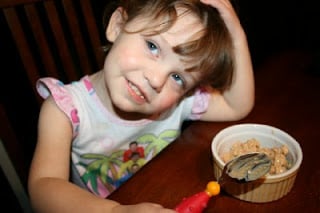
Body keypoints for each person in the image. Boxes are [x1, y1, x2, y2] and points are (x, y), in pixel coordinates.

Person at [28, 0, 254, 212]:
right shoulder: (65, 110)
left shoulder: (177, 103)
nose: (156, 80)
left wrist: (237, 35)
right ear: (117, 26)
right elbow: (43, 188)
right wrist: (115, 210)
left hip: (161, 193)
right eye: (152, 46)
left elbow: (237, 106)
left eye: (177, 77)